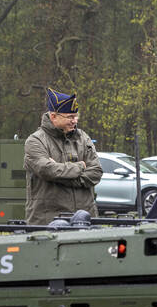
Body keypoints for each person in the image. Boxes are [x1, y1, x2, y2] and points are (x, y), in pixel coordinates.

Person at [24, 88, 103, 225]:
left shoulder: (83, 138)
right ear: (53, 116)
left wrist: (61, 176)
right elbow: (47, 170)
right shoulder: (35, 141)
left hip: (85, 220)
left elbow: (96, 172)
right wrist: (80, 167)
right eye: (70, 117)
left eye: (76, 116)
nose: (75, 121)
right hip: (48, 221)